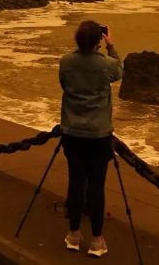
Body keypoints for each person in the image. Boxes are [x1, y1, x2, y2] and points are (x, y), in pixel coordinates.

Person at [59, 20, 123, 258]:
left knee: (76, 183)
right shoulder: (106, 65)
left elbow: (64, 84)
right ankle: (97, 239)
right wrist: (111, 45)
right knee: (97, 187)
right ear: (99, 40)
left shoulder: (66, 62)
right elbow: (119, 71)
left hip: (72, 133)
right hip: (99, 135)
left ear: (77, 39)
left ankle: (73, 234)